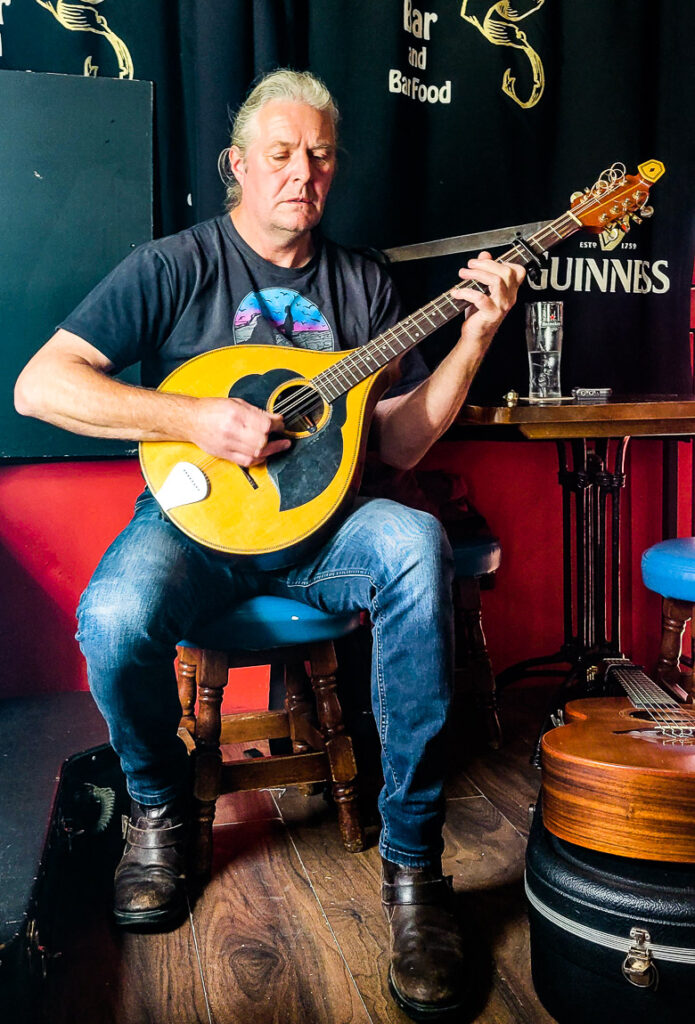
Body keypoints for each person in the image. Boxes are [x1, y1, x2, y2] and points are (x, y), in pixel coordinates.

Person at [14, 68, 524, 1021]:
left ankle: (414, 873)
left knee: (413, 539)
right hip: (195, 528)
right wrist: (193, 417)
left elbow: (400, 441)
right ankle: (161, 810)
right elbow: (40, 387)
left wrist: (472, 339)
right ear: (238, 166)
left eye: (321, 156)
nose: (303, 174)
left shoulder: (365, 282)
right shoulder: (173, 266)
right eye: (282, 155)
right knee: (115, 615)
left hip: (327, 531)